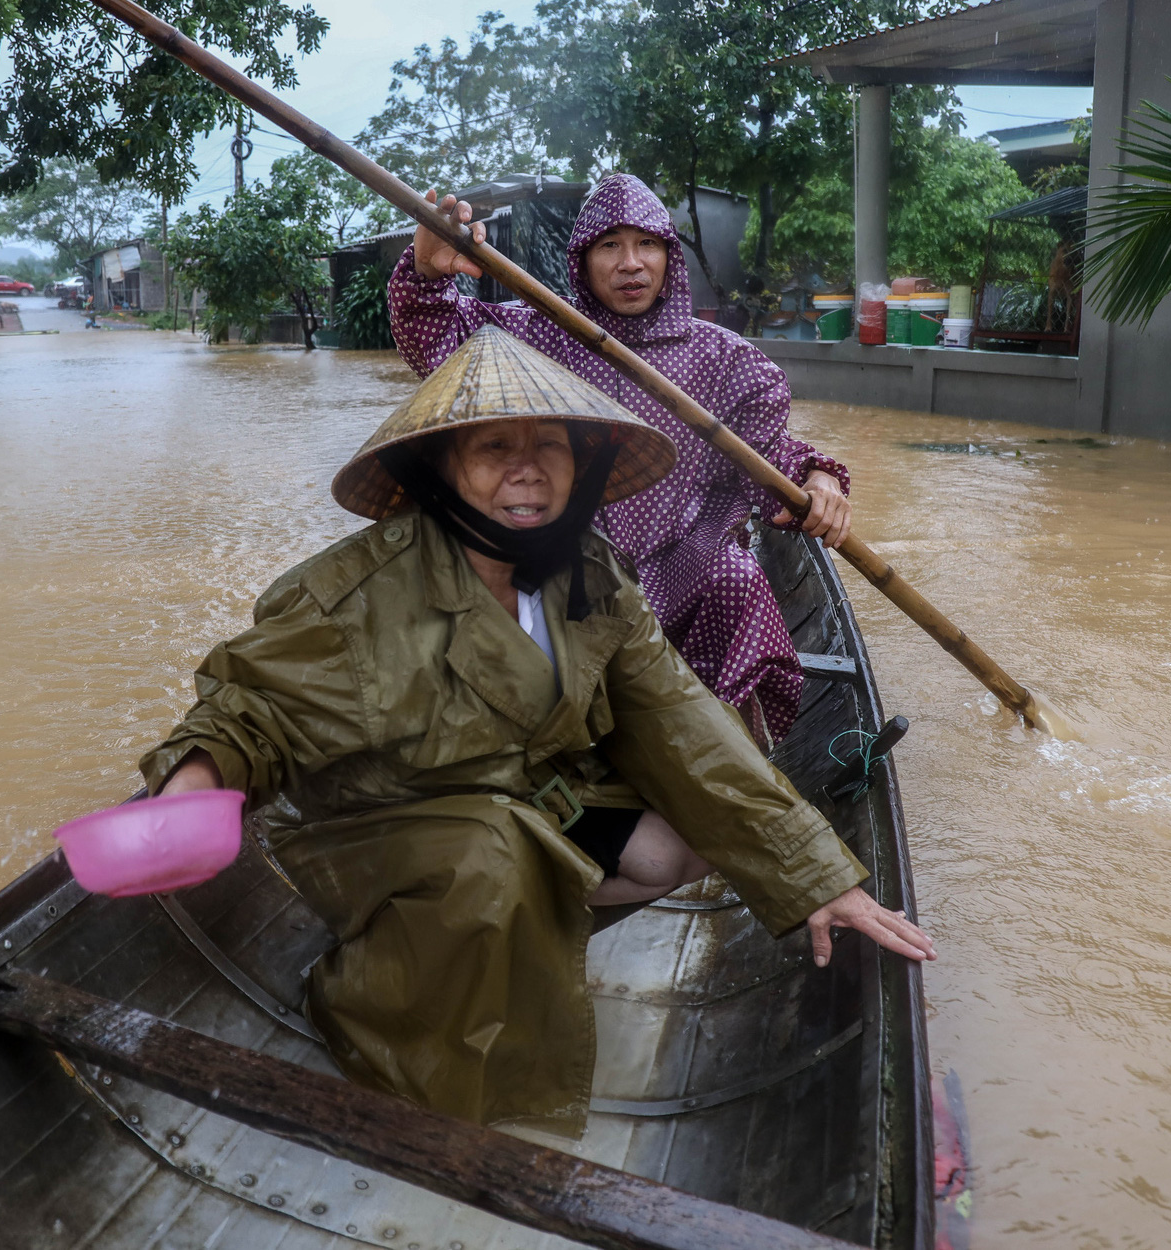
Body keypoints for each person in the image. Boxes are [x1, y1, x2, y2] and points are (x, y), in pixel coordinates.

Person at [141, 325, 933, 1134]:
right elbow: (245, 715)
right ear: (441, 470)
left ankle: (525, 939)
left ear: (581, 465)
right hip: (392, 828)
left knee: (681, 839)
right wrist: (189, 791)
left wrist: (818, 880)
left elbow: (681, 720)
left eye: (550, 445)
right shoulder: (352, 594)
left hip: (529, 800)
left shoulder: (588, 573)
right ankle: (365, 1000)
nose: (526, 470)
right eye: (492, 448)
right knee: (492, 858)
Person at [389, 173, 850, 746]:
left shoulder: (727, 360)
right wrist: (427, 275)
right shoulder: (536, 334)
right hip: (567, 562)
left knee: (738, 575)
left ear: (669, 257)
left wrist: (820, 476)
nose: (631, 264)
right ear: (582, 261)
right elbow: (438, 346)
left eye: (647, 244)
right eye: (610, 246)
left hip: (683, 562)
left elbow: (767, 462)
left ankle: (732, 753)